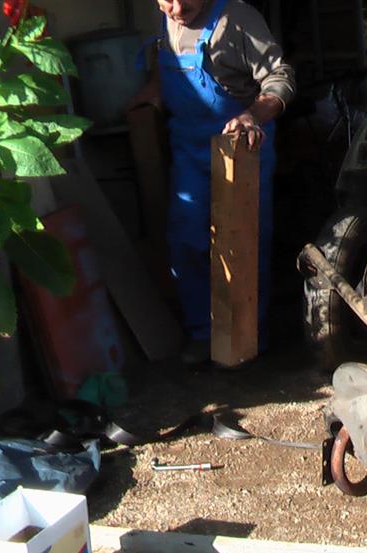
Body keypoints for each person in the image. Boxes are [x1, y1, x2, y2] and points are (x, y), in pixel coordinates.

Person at [133, 0, 295, 364]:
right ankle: (201, 334)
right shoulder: (165, 20)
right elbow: (166, 67)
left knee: (243, 246)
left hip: (240, 148)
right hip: (188, 152)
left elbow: (280, 77)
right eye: (165, 0)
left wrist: (253, 115)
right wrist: (151, 92)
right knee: (186, 242)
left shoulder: (237, 19)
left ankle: (247, 340)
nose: (176, 9)